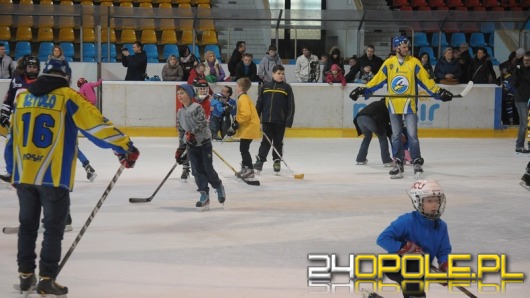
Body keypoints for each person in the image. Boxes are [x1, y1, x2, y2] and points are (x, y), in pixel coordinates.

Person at [9, 59, 139, 296]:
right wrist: (125, 146)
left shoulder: (23, 97)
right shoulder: (67, 97)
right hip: (53, 177)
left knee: (27, 227)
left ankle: (26, 276)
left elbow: (12, 139)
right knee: (52, 230)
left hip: (24, 175)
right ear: (66, 77)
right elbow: (95, 126)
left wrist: (12, 171)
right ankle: (47, 279)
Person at [349, 36, 454, 179]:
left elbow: (426, 81)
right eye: (404, 47)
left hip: (409, 105)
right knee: (396, 136)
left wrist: (438, 92)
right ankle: (398, 162)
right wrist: (363, 90)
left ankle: (416, 161)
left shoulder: (414, 63)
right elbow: (377, 81)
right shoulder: (389, 63)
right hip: (393, 105)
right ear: (397, 48)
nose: (407, 49)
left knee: (412, 135)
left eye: (408, 47)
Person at [377, 180, 451, 298]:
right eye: (429, 201)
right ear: (418, 202)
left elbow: (444, 251)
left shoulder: (441, 226)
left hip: (419, 268)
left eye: (437, 200)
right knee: (417, 262)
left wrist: (445, 266)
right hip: (394, 265)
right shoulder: (407, 221)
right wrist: (403, 247)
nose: (434, 205)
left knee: (419, 267)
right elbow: (382, 239)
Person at [175, 84, 225, 211]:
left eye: (182, 93)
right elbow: (181, 131)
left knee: (208, 169)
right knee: (196, 171)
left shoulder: (197, 107)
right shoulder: (180, 112)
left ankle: (218, 185)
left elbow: (203, 123)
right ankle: (204, 194)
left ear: (190, 94)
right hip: (192, 146)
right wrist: (180, 148)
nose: (179, 95)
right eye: (178, 93)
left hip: (204, 143)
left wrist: (192, 133)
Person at [0, 56, 40, 183]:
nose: (32, 70)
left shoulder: (42, 83)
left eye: (34, 67)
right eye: (30, 67)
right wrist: (4, 114)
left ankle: (32, 173)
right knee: (10, 146)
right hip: (16, 121)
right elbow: (9, 98)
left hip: (34, 121)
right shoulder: (16, 80)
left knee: (32, 149)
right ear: (25, 68)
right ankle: (11, 172)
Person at [254, 65, 295, 174]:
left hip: (280, 121)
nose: (281, 75)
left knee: (278, 142)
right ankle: (260, 161)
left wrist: (288, 120)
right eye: (279, 73)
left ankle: (277, 160)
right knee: (265, 141)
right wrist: (256, 118)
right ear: (273, 74)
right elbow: (259, 104)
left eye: (283, 73)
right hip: (267, 120)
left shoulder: (287, 88)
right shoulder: (265, 86)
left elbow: (291, 106)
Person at [226, 77, 260, 178]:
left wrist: (237, 120)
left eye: (237, 86)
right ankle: (246, 168)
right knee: (244, 148)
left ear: (240, 87)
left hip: (249, 127)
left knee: (244, 149)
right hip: (249, 126)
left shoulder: (243, 98)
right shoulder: (244, 97)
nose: (236, 88)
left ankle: (249, 170)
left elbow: (246, 115)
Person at [353, 99, 393, 166]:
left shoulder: (376, 102)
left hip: (359, 119)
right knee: (382, 137)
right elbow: (385, 122)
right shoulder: (387, 107)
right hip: (369, 119)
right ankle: (387, 161)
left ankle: (360, 159)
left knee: (367, 137)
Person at [513, 50, 530, 154]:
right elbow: (514, 81)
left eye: (528, 60)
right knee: (523, 124)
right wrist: (517, 72)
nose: (526, 62)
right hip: (521, 99)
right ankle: (519, 145)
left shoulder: (521, 71)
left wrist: (521, 74)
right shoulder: (518, 69)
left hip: (528, 99)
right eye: (524, 60)